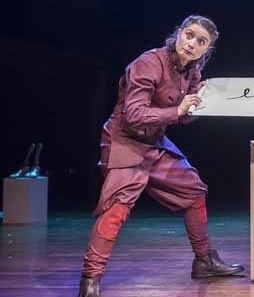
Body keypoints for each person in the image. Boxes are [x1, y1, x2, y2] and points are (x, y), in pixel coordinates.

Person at [77, 15, 243, 297]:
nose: (192, 44)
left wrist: (200, 102)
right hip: (125, 141)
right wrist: (177, 111)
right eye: (189, 35)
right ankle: (90, 279)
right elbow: (134, 115)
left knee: (193, 191)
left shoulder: (192, 74)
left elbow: (185, 117)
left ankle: (204, 261)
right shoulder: (149, 63)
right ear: (178, 33)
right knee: (117, 208)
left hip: (153, 143)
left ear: (207, 49)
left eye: (201, 41)